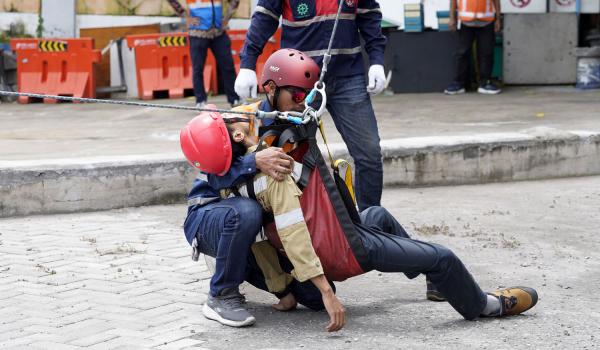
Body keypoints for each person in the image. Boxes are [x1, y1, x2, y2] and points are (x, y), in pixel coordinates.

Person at [181, 49, 538, 331]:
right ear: (270, 89)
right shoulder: (239, 122)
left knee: (375, 216)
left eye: (308, 94)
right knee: (248, 214)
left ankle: (435, 282)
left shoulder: (301, 118)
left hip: (304, 231)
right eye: (295, 94)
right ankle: (222, 295)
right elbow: (210, 176)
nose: (303, 101)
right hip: (216, 217)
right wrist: (251, 162)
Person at [234, 0, 387, 211]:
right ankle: (299, 221)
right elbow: (264, 18)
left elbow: (370, 16)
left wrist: (377, 59)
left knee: (369, 153)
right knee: (290, 154)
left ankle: (372, 223)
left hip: (348, 77)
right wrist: (247, 64)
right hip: (298, 83)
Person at [167, 0, 241, 107]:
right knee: (198, 69)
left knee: (228, 67)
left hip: (219, 33)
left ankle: (235, 99)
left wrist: (227, 17)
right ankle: (200, 101)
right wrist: (185, 17)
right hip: (197, 33)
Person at [444, 0, 502, 95]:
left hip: (486, 22)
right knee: (462, 53)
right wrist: (452, 18)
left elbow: (496, 1)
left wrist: (498, 19)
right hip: (466, 22)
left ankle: (485, 83)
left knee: (486, 53)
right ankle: (458, 83)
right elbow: (453, 1)